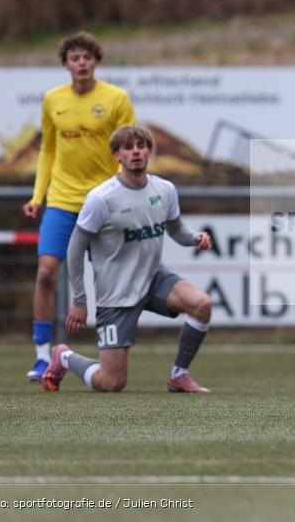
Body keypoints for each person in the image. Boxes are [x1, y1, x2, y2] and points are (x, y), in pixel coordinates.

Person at [40, 126, 213, 394]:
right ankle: (64, 357)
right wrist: (80, 300)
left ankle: (178, 375)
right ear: (116, 155)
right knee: (111, 383)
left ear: (149, 152)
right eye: (128, 147)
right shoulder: (100, 199)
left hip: (152, 279)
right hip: (115, 295)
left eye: (141, 146)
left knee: (201, 304)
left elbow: (176, 229)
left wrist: (195, 238)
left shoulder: (164, 189)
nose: (136, 152)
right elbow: (75, 249)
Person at [23, 31, 136, 381]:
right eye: (75, 57)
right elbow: (48, 149)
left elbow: (130, 147)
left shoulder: (116, 98)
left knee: (109, 282)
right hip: (61, 200)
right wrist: (37, 196)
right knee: (45, 273)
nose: (82, 63)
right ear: (66, 64)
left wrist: (125, 194)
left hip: (102, 203)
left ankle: (107, 351)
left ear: (96, 61)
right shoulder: (52, 99)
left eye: (87, 57)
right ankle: (42, 355)